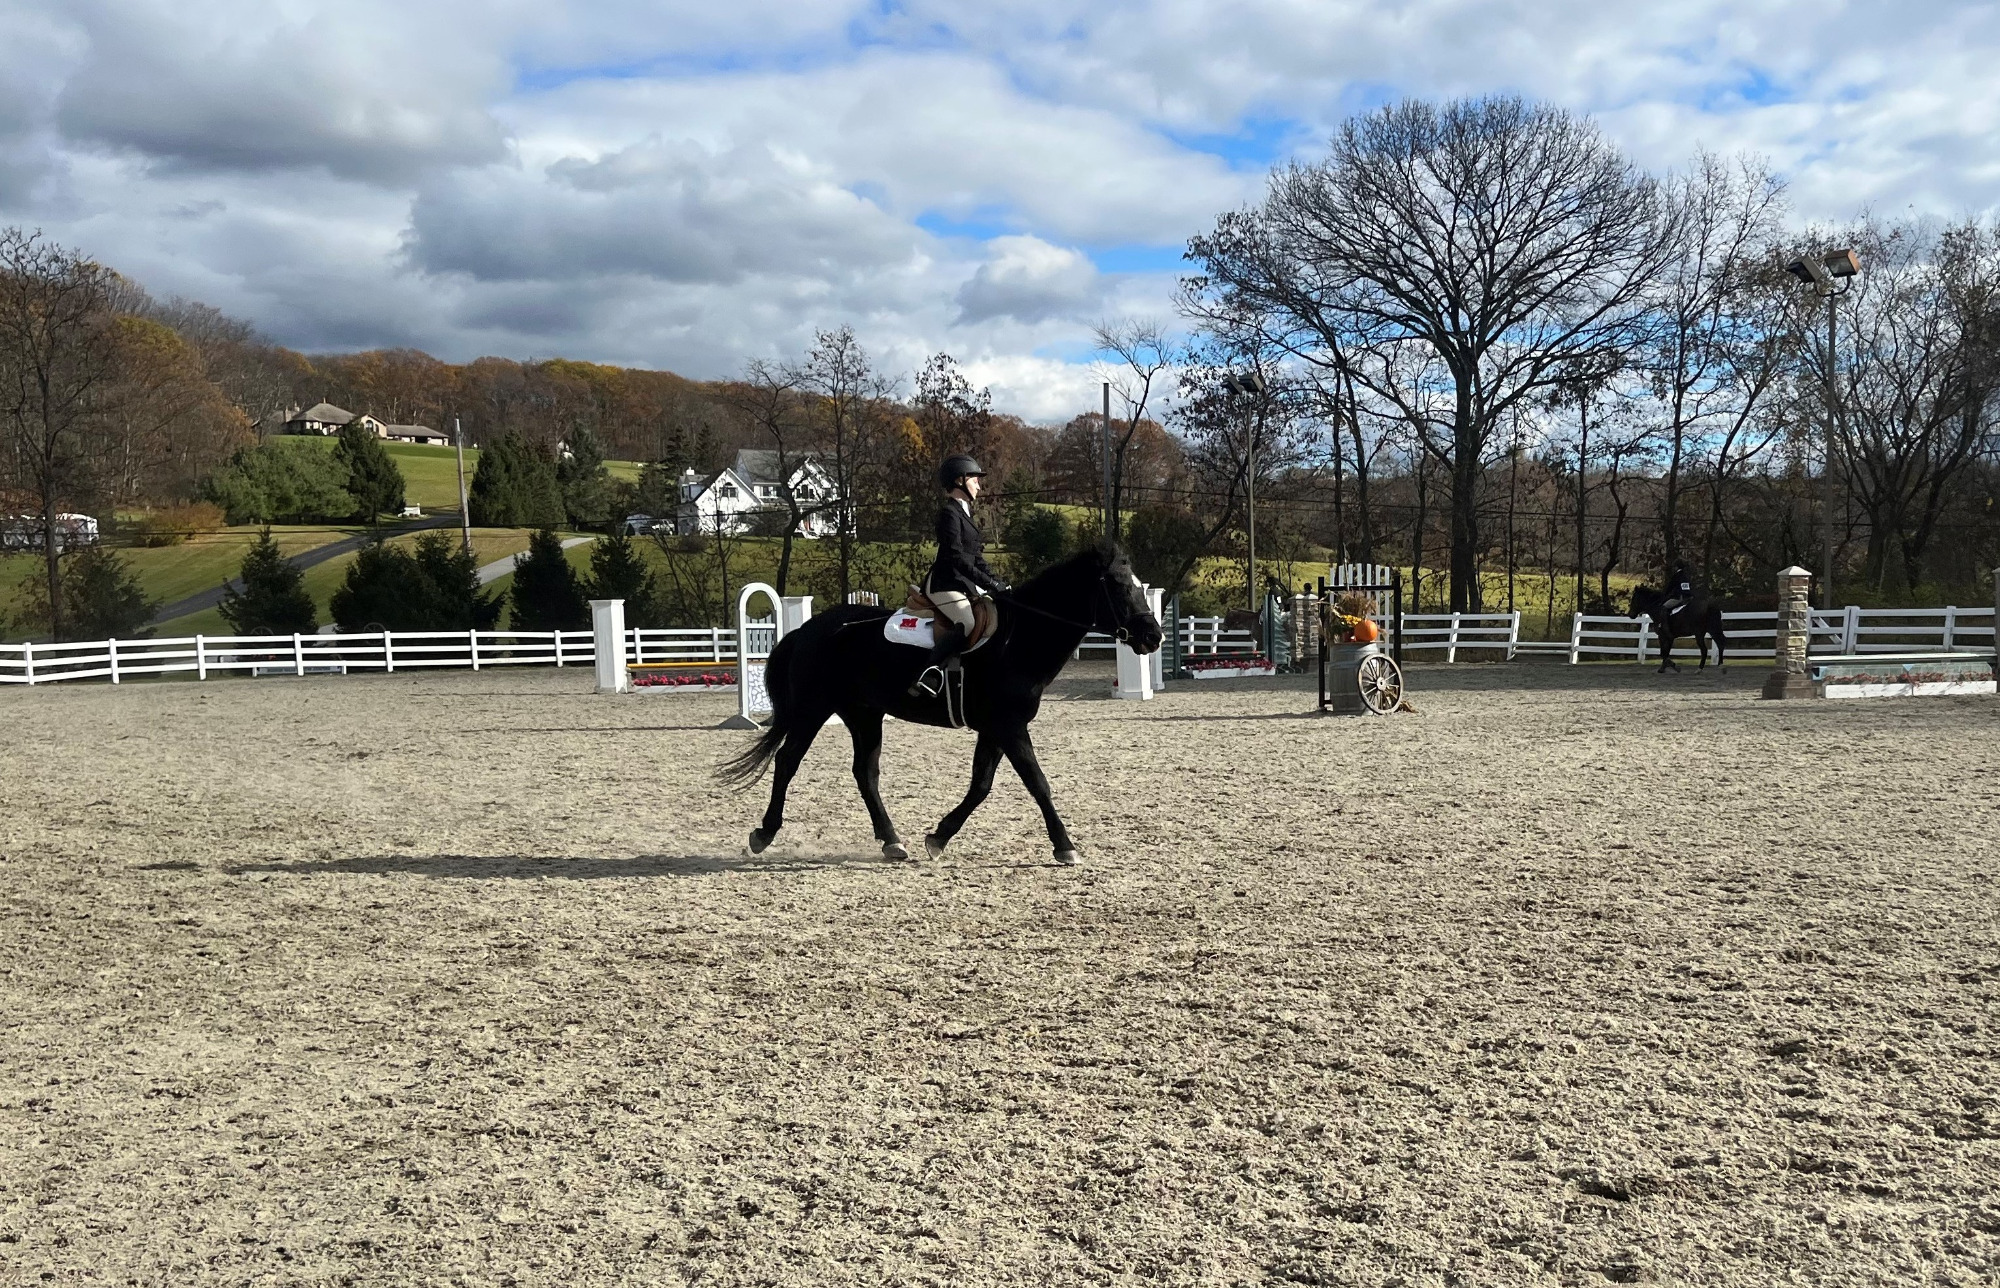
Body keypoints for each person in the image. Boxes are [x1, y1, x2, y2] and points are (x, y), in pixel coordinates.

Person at [911, 454, 1007, 697]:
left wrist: (998, 582)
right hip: (945, 583)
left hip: (963, 583)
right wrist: (988, 583)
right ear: (960, 480)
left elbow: (975, 557)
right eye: (975, 479)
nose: (979, 484)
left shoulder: (965, 514)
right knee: (967, 622)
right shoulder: (949, 513)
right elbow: (956, 557)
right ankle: (930, 672)